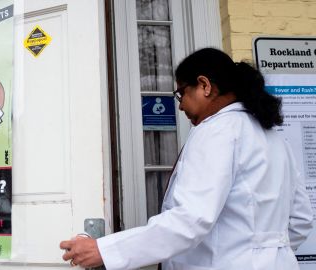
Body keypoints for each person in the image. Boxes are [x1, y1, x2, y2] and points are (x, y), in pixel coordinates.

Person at [60, 48, 313, 270]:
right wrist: (263, 250)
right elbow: (301, 219)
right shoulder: (274, 138)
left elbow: (190, 219)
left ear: (204, 85)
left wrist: (103, 250)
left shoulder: (217, 130)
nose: (180, 107)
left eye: (181, 93)